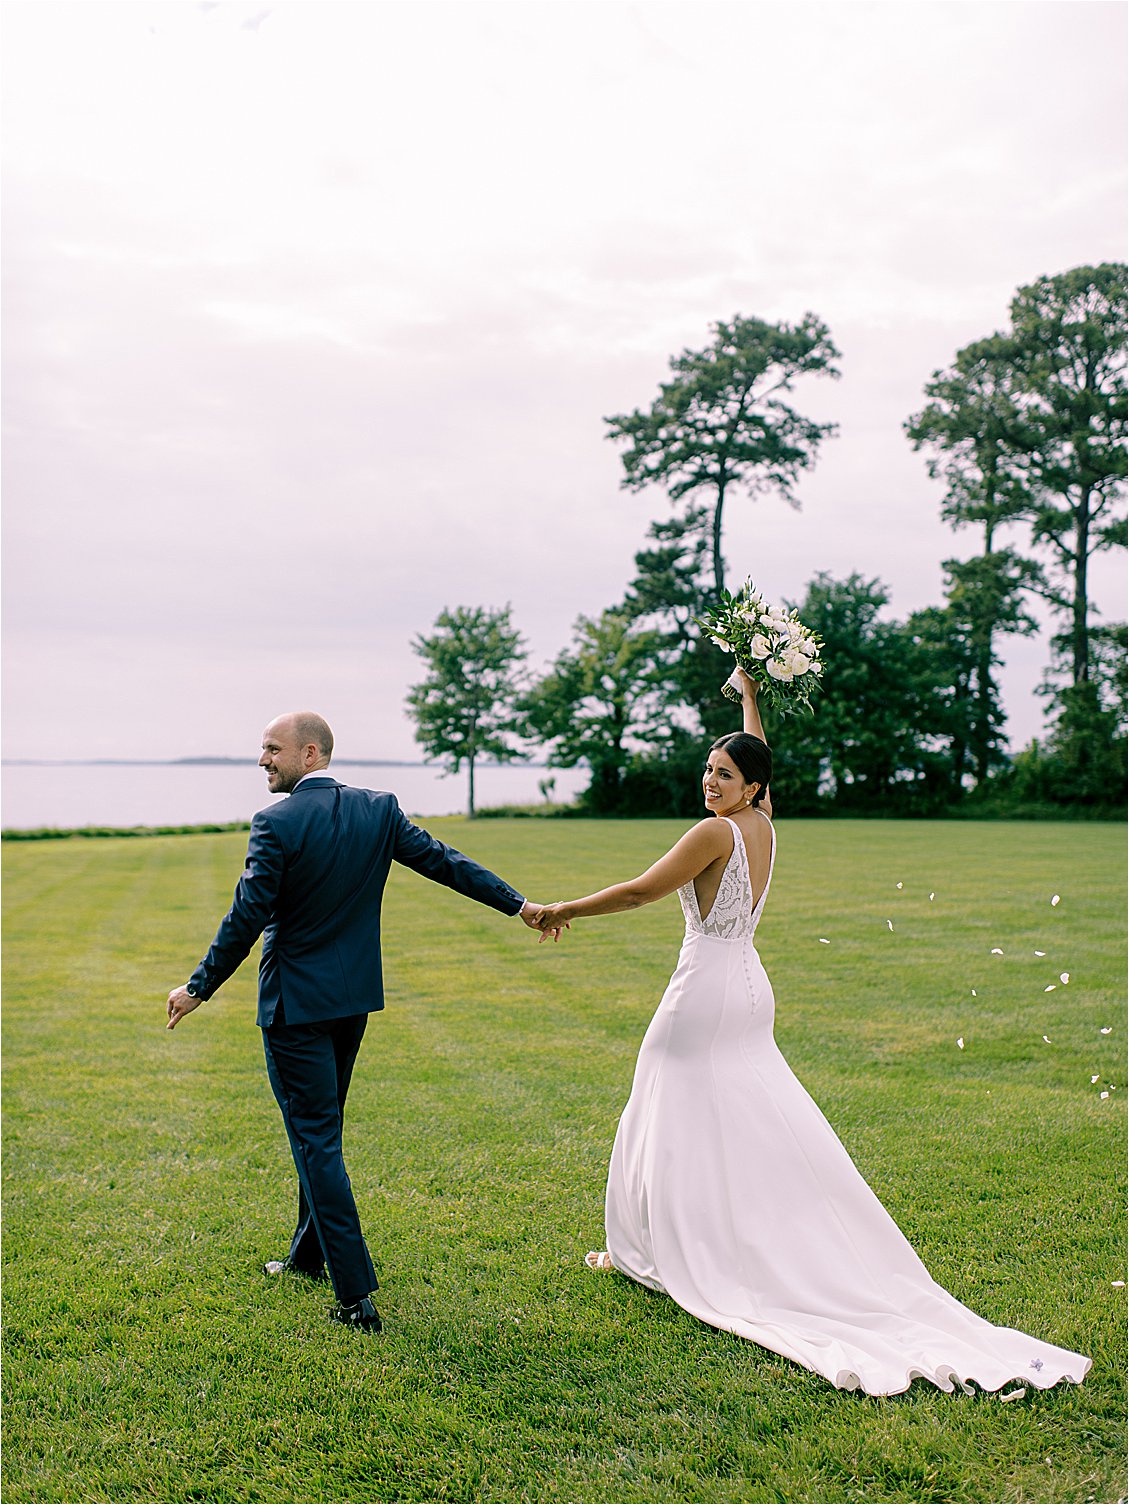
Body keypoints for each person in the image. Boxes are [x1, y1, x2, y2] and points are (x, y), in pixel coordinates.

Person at [531, 671, 1090, 1398]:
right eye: (707, 769)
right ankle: (682, 1239)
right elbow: (760, 755)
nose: (709, 780)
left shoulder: (712, 832)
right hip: (749, 987)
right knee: (733, 1112)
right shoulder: (765, 825)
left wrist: (560, 907)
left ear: (747, 786)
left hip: (702, 990)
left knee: (661, 1106)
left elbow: (641, 889)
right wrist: (748, 700)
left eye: (722, 773)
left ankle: (655, 1249)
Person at [166, 710, 554, 1333]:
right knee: (321, 1132)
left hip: (295, 1009)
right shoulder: (380, 809)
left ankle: (354, 1296)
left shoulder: (275, 822)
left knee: (315, 1138)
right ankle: (306, 1256)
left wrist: (198, 987)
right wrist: (519, 905)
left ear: (310, 753)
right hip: (350, 1006)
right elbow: (445, 862)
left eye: (272, 749)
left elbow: (246, 916)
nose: (262, 760)